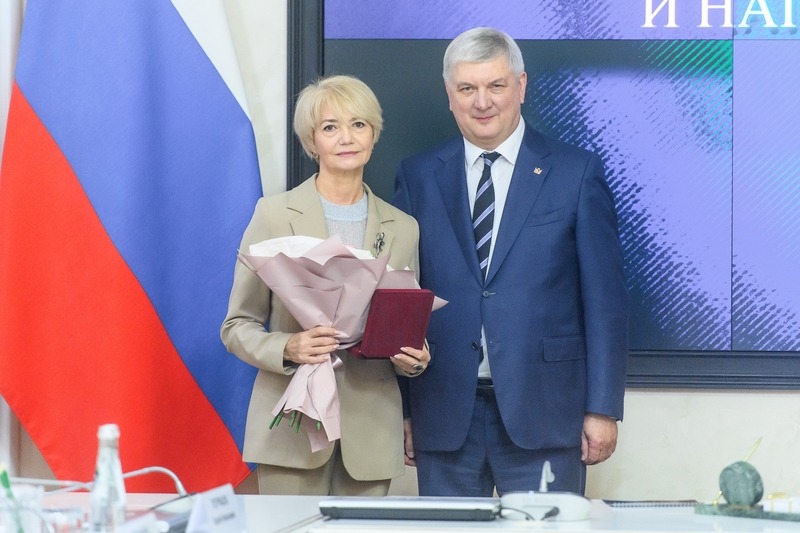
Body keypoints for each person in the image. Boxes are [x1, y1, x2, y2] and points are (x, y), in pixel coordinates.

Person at [393, 27, 628, 497]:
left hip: (548, 414)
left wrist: (602, 408)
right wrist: (404, 410)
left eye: (496, 86)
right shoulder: (417, 176)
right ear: (449, 95)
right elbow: (401, 295)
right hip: (443, 414)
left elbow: (605, 301)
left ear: (520, 86)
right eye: (467, 88)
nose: (482, 102)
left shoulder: (576, 171)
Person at [221, 75, 430, 496]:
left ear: (373, 134)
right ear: (312, 140)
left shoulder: (404, 227)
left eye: (358, 124)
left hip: (370, 434)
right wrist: (288, 347)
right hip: (292, 431)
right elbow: (236, 326)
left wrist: (416, 357)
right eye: (331, 127)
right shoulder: (273, 215)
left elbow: (405, 322)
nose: (346, 138)